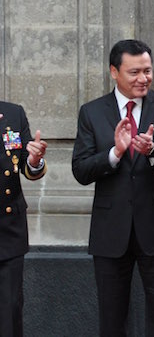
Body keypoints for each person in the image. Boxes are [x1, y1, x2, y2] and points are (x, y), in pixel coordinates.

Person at [72, 39, 154, 337]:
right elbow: (81, 170)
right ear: (114, 72)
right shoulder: (92, 112)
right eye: (134, 72)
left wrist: (152, 151)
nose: (143, 79)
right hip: (111, 230)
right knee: (112, 319)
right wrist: (115, 153)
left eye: (148, 71)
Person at [0, 103, 47, 337]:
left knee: (9, 310)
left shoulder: (12, 114)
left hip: (8, 231)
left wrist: (35, 159)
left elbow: (29, 167)